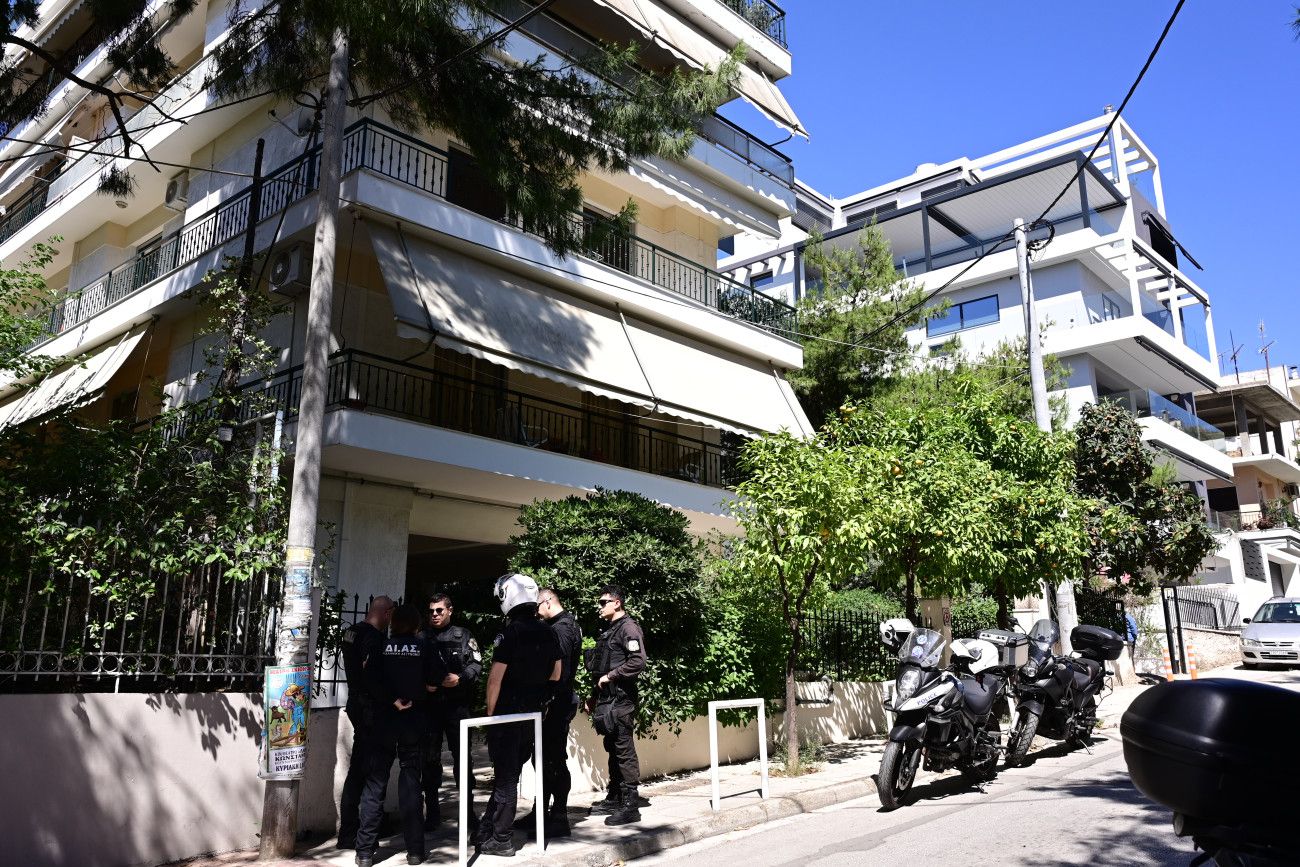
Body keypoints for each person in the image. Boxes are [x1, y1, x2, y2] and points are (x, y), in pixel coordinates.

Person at [476, 573, 562, 857]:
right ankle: (488, 827)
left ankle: (501, 838)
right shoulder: (549, 631)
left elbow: (495, 680)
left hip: (507, 716)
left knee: (506, 778)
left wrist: (490, 716)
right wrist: (540, 695)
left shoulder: (510, 633)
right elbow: (556, 673)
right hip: (532, 715)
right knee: (509, 774)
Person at [355, 604, 447, 867]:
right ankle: (415, 851)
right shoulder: (424, 646)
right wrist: (422, 687)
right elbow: (437, 678)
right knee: (411, 784)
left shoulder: (381, 646)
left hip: (383, 720)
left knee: (375, 784)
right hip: (413, 721)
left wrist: (392, 699)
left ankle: (364, 852)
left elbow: (368, 680)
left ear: (393, 623)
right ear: (417, 624)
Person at [517, 588, 582, 836]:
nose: (536, 613)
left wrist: (548, 699)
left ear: (547, 602)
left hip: (557, 703)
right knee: (542, 759)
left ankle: (559, 816)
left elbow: (560, 672)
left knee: (554, 760)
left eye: (537, 607)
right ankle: (540, 813)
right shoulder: (560, 625)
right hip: (554, 702)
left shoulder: (562, 629)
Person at [585, 584, 647, 826]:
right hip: (607, 700)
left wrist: (611, 676)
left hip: (621, 700)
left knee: (624, 748)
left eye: (604, 602)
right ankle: (615, 797)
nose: (600, 607)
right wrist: (593, 697)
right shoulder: (610, 630)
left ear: (617, 603)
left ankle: (631, 805)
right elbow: (602, 668)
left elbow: (638, 662)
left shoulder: (628, 628)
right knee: (612, 747)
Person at [420, 593, 483, 831]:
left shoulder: (463, 635)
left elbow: (476, 664)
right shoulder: (422, 637)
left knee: (463, 759)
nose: (434, 614)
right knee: (429, 760)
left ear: (449, 610)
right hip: (430, 708)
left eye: (439, 610)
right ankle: (432, 813)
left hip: (457, 707)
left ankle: (467, 813)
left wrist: (461, 678)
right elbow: (411, 669)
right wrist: (424, 684)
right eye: (431, 611)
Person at [337, 595, 394, 849]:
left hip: (356, 704)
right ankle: (362, 834)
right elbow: (370, 673)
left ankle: (348, 831)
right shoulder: (374, 638)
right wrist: (391, 700)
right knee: (373, 773)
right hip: (372, 709)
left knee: (357, 770)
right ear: (386, 613)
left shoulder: (351, 632)